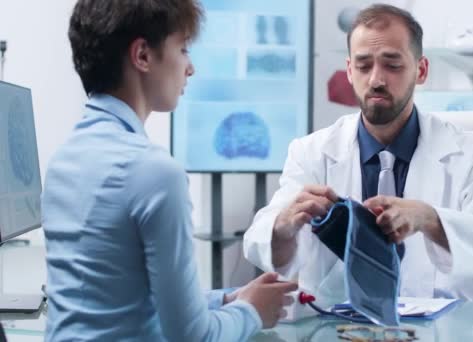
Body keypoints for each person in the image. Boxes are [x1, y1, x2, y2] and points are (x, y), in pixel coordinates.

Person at [243, 4, 473, 307]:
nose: (376, 80)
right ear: (350, 71)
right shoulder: (311, 153)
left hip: (449, 329)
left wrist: (430, 219)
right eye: (364, 65)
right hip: (342, 327)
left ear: (420, 71)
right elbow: (261, 243)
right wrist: (284, 224)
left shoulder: (472, 152)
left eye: (392, 65)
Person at [41, 1, 297, 341]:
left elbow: (124, 300)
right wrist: (252, 312)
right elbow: (193, 337)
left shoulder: (62, 161)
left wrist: (230, 299)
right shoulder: (155, 174)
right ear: (143, 55)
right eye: (183, 49)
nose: (190, 68)